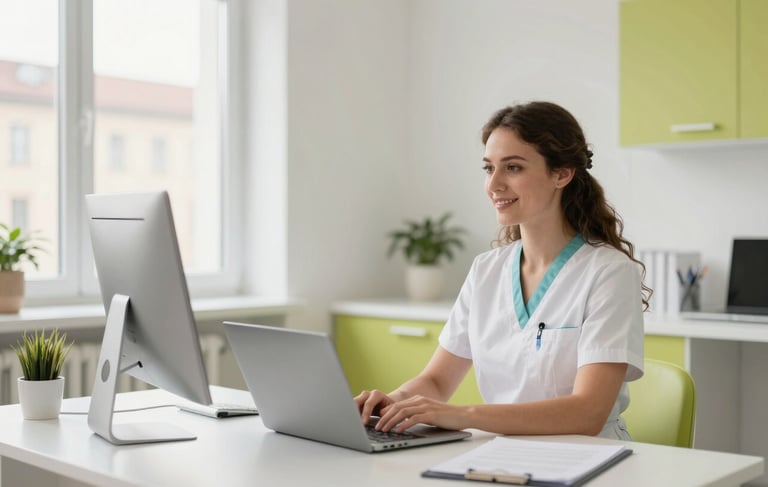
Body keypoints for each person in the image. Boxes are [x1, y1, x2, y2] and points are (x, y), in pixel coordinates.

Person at [355, 101, 650, 440]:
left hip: (588, 459)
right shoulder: (486, 270)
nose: (494, 184)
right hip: (504, 456)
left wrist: (463, 415)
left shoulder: (609, 273)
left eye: (513, 168)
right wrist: (390, 404)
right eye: (488, 168)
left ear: (562, 174)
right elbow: (436, 381)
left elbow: (587, 413)